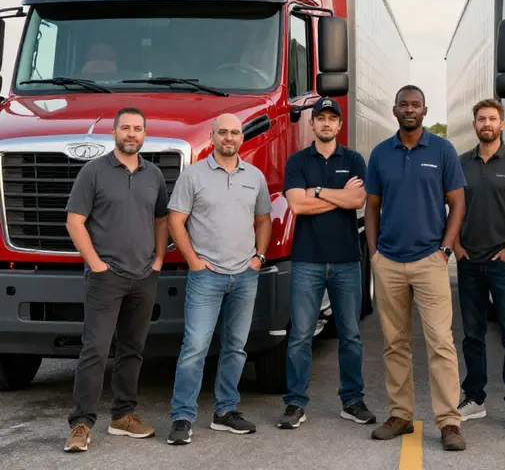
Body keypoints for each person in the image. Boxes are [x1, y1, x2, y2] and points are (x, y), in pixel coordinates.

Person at [365, 85, 468, 452]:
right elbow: (372, 206)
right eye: (403, 104)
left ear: (425, 111)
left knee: (440, 342)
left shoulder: (442, 150)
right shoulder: (380, 153)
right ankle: (400, 415)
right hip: (389, 262)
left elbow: (457, 202)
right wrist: (374, 254)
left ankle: (449, 422)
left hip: (429, 260)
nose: (409, 109)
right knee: (395, 343)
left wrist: (445, 248)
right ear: (395, 110)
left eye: (416, 105)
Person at [63, 107, 169, 453]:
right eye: (125, 128)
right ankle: (81, 423)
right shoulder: (93, 172)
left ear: (144, 134)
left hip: (144, 276)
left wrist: (158, 260)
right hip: (106, 277)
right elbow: (74, 221)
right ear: (113, 133)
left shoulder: (154, 175)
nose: (131, 134)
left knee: (132, 349)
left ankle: (123, 416)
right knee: (95, 350)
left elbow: (161, 220)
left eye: (138, 128)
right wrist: (96, 264)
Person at [166, 113, 272, 446]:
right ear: (212, 137)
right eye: (222, 132)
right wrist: (194, 262)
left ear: (242, 138)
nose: (229, 137)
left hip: (245, 275)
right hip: (206, 276)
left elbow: (264, 219)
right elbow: (175, 221)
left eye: (235, 132)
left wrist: (259, 258)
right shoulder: (193, 175)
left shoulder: (254, 176)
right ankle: (182, 417)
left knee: (236, 347)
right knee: (195, 347)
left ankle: (226, 411)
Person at [277, 97, 376, 429]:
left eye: (332, 119)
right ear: (312, 123)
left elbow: (358, 199)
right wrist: (337, 195)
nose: (326, 123)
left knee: (350, 336)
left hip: (346, 261)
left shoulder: (354, 160)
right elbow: (297, 206)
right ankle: (295, 403)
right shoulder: (297, 161)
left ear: (339, 125)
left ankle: (352, 400)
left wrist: (316, 191)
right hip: (307, 260)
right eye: (321, 118)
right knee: (301, 336)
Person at [454, 99, 505, 429]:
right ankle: (475, 398)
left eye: (492, 118)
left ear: (502, 124)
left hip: (504, 262)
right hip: (469, 261)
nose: (487, 123)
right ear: (474, 124)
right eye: (481, 118)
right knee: (472, 335)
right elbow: (451, 207)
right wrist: (456, 246)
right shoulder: (461, 163)